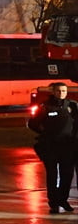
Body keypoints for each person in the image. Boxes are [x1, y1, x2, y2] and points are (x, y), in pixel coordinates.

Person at [28, 81, 76, 214]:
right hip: (50, 147)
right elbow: (33, 124)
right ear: (53, 92)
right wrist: (46, 134)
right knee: (52, 175)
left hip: (67, 147)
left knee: (67, 175)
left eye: (64, 91)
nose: (61, 94)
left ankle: (63, 200)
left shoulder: (72, 106)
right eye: (58, 91)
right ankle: (54, 203)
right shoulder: (45, 107)